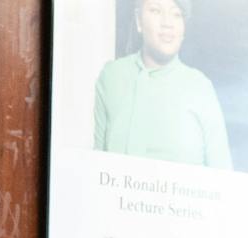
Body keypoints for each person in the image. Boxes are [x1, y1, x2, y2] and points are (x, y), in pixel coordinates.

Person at [93, 0, 232, 170]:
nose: (167, 23)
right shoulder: (111, 76)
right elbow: (96, 170)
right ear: (138, 20)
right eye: (156, 11)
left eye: (176, 14)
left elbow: (223, 179)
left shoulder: (201, 88)